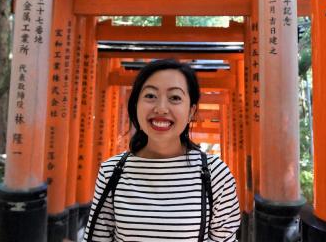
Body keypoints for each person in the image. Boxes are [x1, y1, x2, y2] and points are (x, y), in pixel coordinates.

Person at [82, 59, 241, 241]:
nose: (161, 108)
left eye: (175, 97)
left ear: (191, 111)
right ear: (135, 105)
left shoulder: (215, 175)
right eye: (150, 96)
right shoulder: (111, 172)